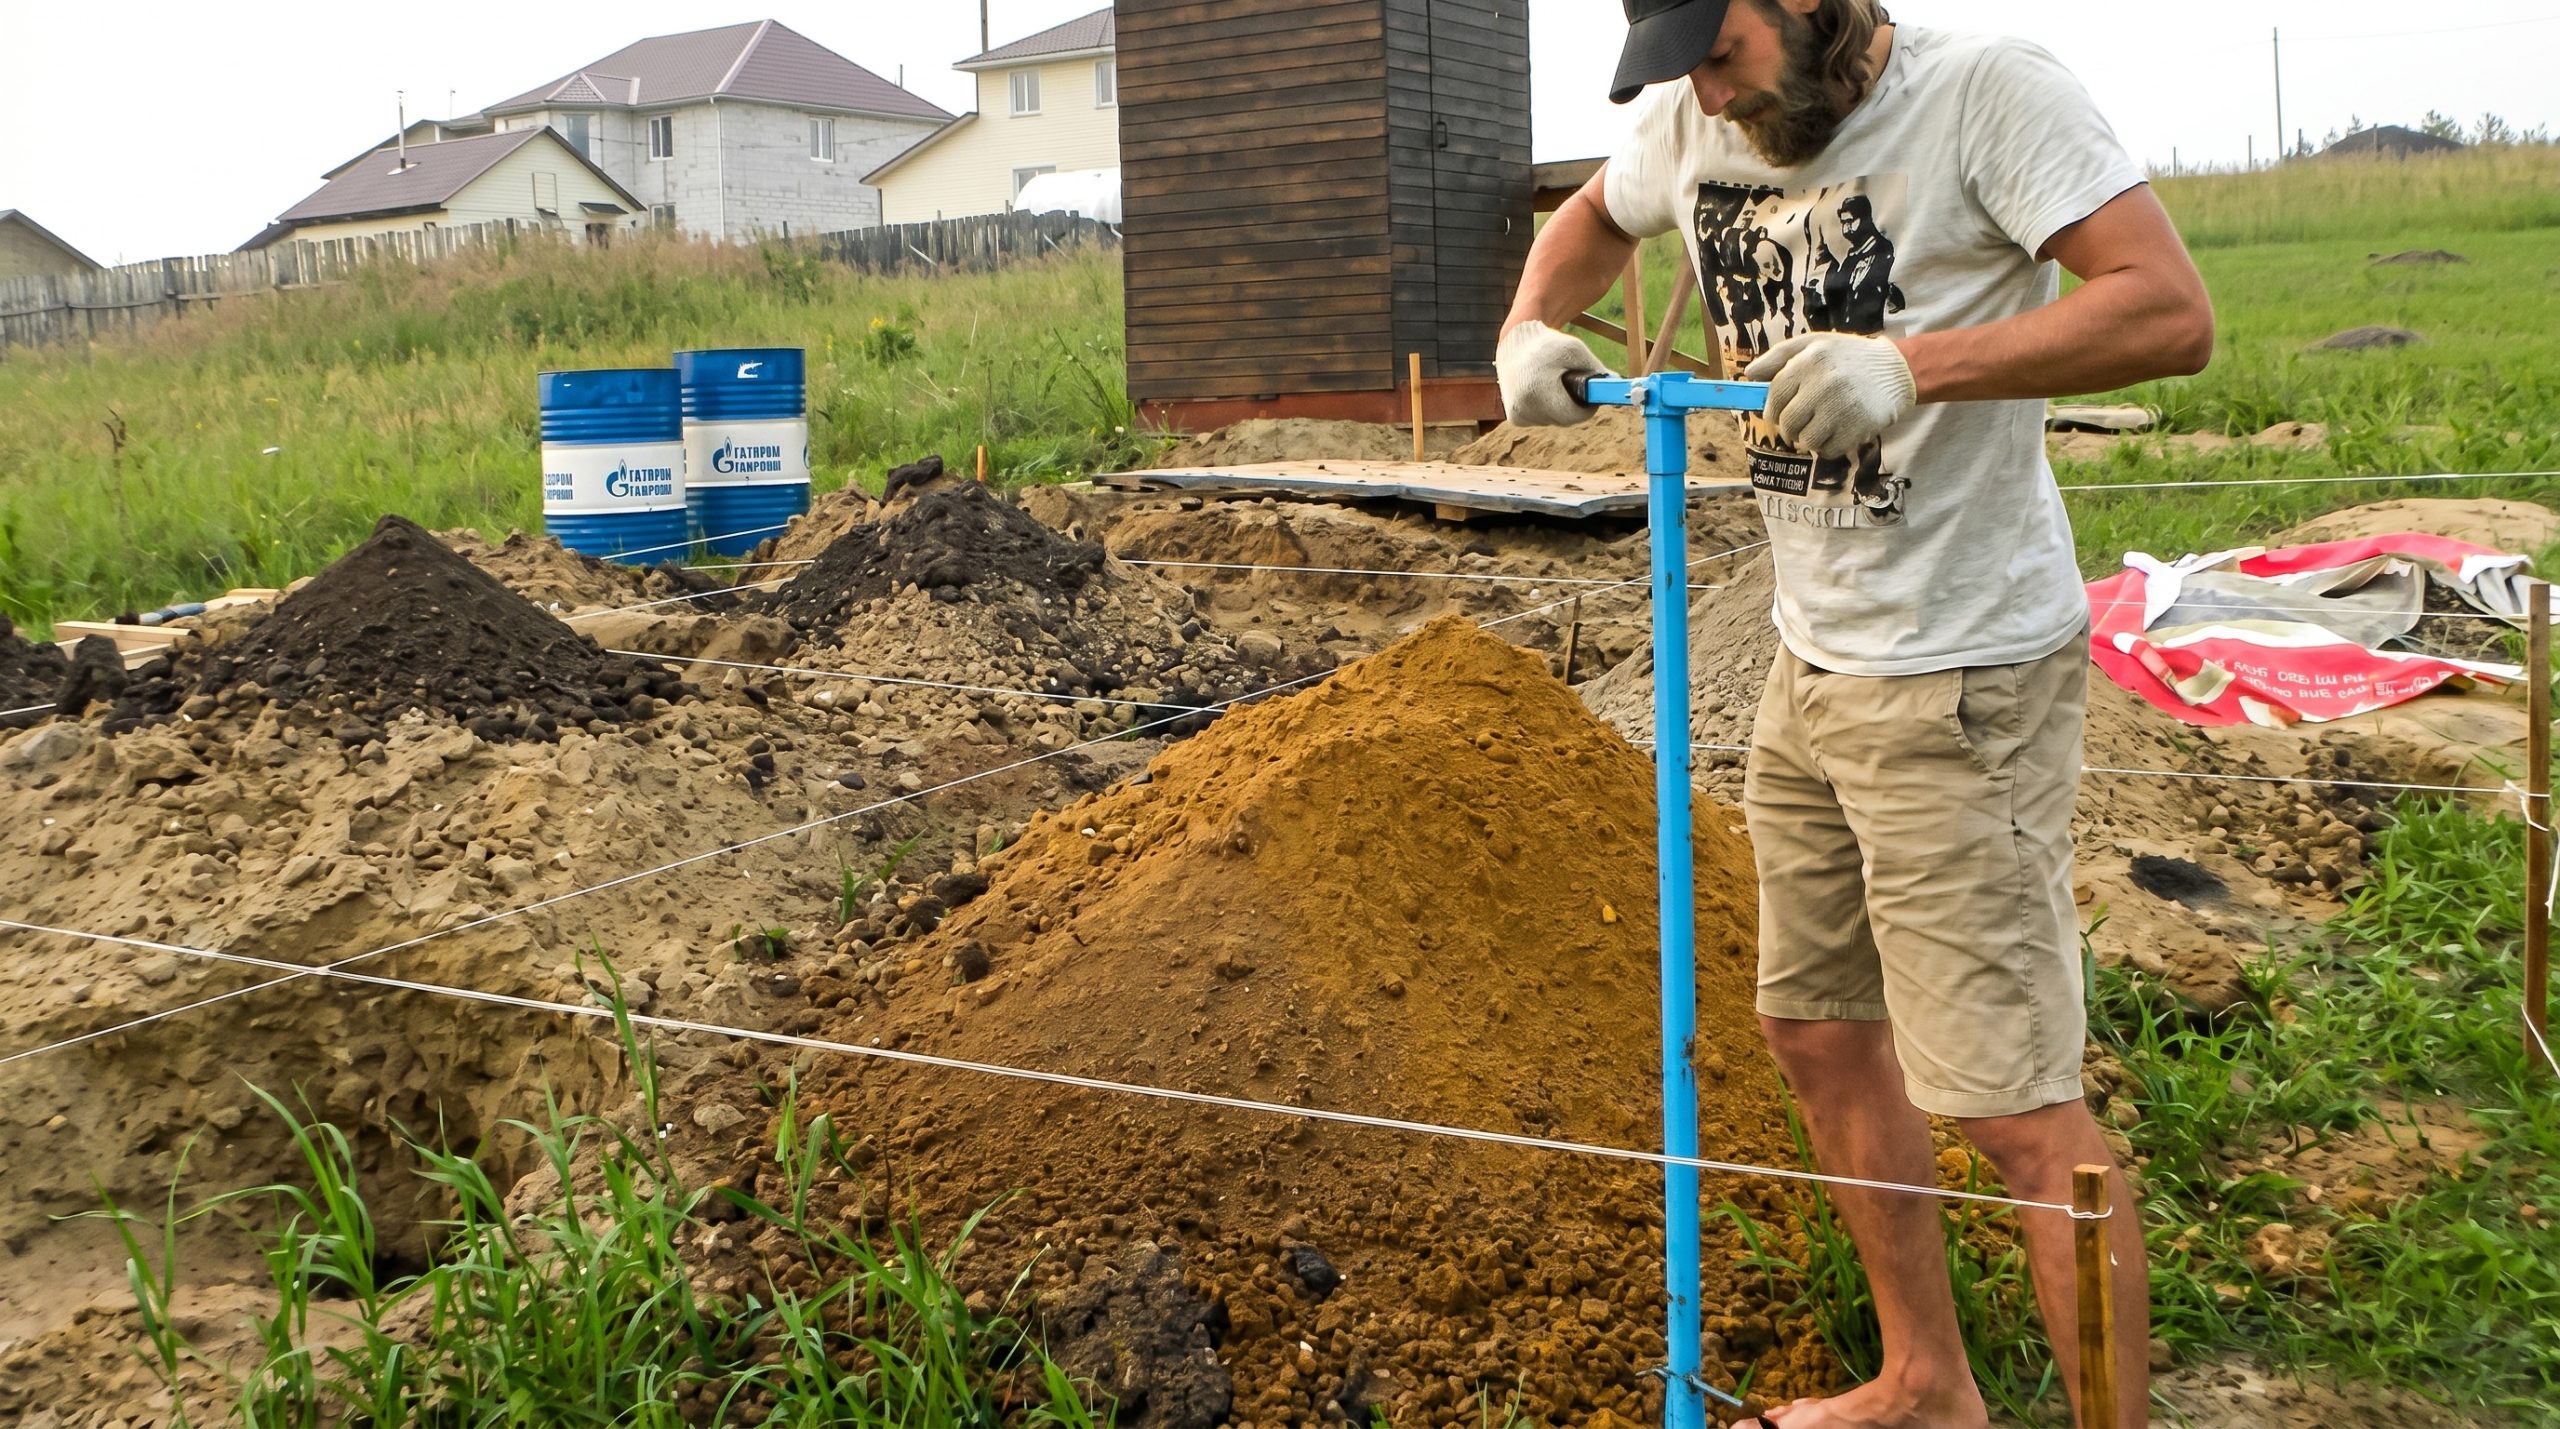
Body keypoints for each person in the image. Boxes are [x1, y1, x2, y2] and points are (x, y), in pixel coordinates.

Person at [1493, 2, 2214, 1426]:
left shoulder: (1986, 96)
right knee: (1818, 1033)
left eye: (1725, 47)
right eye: (1683, 62)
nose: (1709, 89)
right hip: (1810, 664)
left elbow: (2170, 311)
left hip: (1964, 671)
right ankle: (1927, 1383)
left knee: (2013, 1104)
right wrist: (1532, 320)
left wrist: (1914, 363)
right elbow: (1593, 212)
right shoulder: (1692, 112)